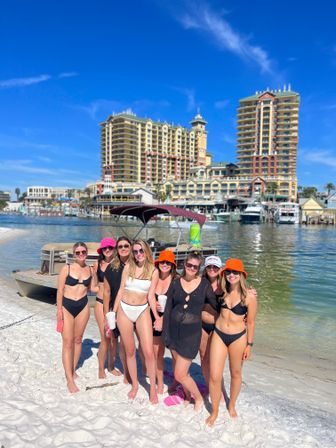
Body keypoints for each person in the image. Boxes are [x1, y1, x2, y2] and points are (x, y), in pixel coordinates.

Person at [163, 252, 218, 411]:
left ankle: (198, 398)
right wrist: (165, 332)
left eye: (195, 266)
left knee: (180, 374)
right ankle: (187, 395)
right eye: (189, 265)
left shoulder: (204, 285)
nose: (192, 268)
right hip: (173, 331)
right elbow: (168, 309)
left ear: (199, 268)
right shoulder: (175, 283)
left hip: (191, 335)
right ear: (184, 265)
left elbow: (217, 304)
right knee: (178, 369)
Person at [206, 258, 257, 426]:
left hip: (238, 338)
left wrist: (249, 345)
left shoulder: (249, 296)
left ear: (241, 275)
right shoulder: (221, 290)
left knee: (235, 374)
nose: (231, 275)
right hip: (219, 335)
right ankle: (214, 411)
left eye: (235, 272)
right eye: (228, 272)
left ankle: (232, 405)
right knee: (214, 376)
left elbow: (250, 322)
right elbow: (210, 278)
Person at [112, 239, 162, 403]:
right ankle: (135, 385)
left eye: (141, 250)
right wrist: (113, 312)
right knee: (130, 351)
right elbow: (120, 291)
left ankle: (152, 390)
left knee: (148, 351)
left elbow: (151, 296)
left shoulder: (153, 271)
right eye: (135, 251)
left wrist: (157, 317)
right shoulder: (128, 267)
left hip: (142, 311)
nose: (138, 254)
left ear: (146, 251)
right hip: (124, 310)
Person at [56, 242, 98, 393]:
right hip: (67, 306)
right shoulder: (66, 269)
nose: (81, 254)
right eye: (78, 252)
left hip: (83, 305)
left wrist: (108, 289)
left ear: (87, 253)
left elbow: (93, 288)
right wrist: (59, 310)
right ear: (74, 255)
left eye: (83, 252)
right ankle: (69, 379)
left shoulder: (91, 270)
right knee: (67, 342)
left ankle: (72, 370)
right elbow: (60, 291)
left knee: (78, 339)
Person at [103, 236, 132, 383]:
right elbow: (106, 292)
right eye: (120, 246)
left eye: (126, 246)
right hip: (115, 308)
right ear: (117, 249)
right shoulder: (112, 267)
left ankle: (131, 371)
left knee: (129, 343)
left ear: (131, 247)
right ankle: (111, 365)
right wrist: (106, 314)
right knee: (115, 340)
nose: (123, 249)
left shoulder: (136, 265)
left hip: (133, 308)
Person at [149, 249, 177, 394]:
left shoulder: (176, 280)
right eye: (162, 262)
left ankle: (176, 381)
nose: (165, 265)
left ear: (172, 265)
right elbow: (149, 296)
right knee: (157, 353)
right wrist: (156, 313)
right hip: (154, 318)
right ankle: (160, 382)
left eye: (168, 262)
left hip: (170, 320)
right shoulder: (153, 276)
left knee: (175, 354)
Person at [93, 237, 117, 378]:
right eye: (105, 248)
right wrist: (100, 288)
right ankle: (101, 369)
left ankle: (111, 366)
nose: (107, 250)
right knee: (105, 337)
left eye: (110, 248)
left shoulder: (118, 264)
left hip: (115, 305)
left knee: (115, 338)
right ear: (101, 250)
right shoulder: (97, 264)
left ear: (114, 249)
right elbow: (93, 285)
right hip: (101, 303)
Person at [200, 255, 223, 389]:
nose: (212, 269)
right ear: (205, 268)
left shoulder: (226, 285)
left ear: (220, 269)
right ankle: (209, 386)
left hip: (218, 327)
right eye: (209, 266)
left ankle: (219, 388)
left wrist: (250, 291)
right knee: (203, 357)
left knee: (216, 361)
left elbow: (241, 294)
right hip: (202, 326)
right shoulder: (201, 283)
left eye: (215, 267)